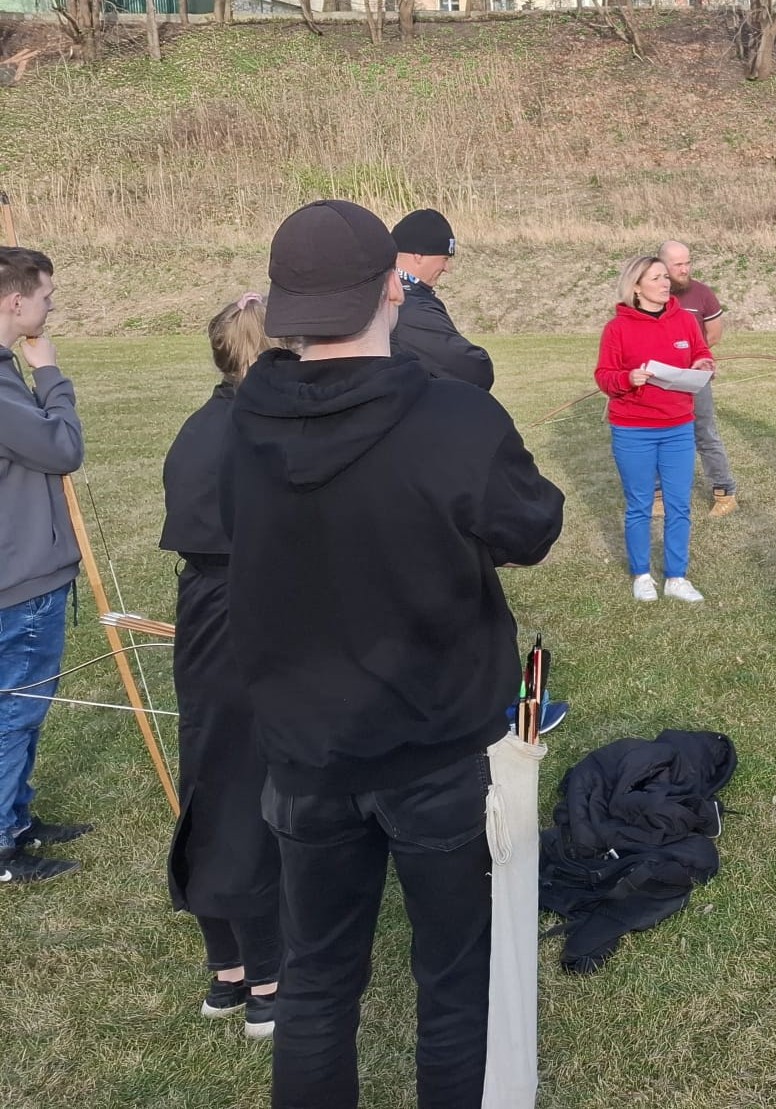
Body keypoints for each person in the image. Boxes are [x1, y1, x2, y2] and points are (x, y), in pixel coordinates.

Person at [229, 199, 564, 1107]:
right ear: (391, 287)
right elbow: (532, 527)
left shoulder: (240, 419)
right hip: (429, 748)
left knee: (318, 978)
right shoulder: (452, 416)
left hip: (310, 749)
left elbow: (526, 525)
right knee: (448, 983)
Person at [159, 293, 283, 1036]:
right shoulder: (257, 430)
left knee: (214, 774)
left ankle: (230, 968)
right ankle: (262, 975)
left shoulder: (202, 423)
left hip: (210, 609)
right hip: (244, 611)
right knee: (244, 786)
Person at [0, 246, 89, 886]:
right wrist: (51, 374)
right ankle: (3, 842)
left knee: (20, 707)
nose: (50, 307)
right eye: (45, 297)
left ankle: (16, 816)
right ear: (15, 301)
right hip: (20, 579)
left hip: (22, 571)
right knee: (16, 711)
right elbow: (62, 446)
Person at [596, 254, 716, 603]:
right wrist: (627, 378)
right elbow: (604, 376)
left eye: (666, 277)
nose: (666, 284)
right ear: (636, 287)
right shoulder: (617, 328)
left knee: (679, 505)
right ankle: (642, 575)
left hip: (678, 427)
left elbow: (702, 353)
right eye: (656, 278)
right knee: (639, 505)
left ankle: (676, 577)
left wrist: (704, 363)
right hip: (633, 430)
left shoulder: (685, 321)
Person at [659, 240, 739, 518]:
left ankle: (725, 493)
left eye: (688, 263)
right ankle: (657, 496)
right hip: (658, 380)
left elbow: (713, 335)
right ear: (661, 265)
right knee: (657, 435)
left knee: (705, 433)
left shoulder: (702, 293)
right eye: (677, 264)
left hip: (695, 376)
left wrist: (693, 357)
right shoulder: (650, 294)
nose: (684, 269)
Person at [389, 209, 494, 390]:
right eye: (444, 258)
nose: (447, 268)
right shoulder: (410, 307)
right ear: (418, 255)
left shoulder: (381, 289)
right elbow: (473, 370)